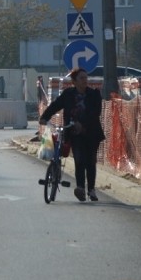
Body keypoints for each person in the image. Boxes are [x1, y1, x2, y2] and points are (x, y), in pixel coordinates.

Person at [38, 67, 105, 202]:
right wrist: (44, 117)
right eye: (81, 78)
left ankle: (91, 190)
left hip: (91, 133)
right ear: (74, 81)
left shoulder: (94, 95)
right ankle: (80, 188)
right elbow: (55, 105)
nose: (85, 81)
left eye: (86, 78)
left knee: (90, 161)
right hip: (74, 133)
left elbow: (95, 113)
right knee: (79, 159)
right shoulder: (68, 94)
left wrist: (82, 124)